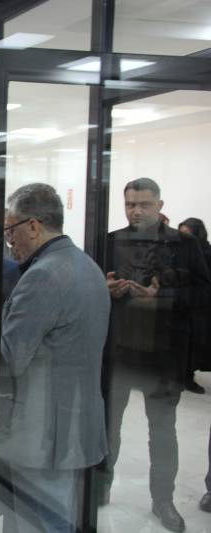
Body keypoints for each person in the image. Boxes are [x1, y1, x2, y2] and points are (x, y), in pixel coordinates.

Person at [97, 178, 211, 533]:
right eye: (130, 204)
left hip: (163, 355)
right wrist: (105, 288)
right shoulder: (110, 242)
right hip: (119, 352)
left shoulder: (185, 245)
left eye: (144, 204)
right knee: (108, 428)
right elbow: (92, 287)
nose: (136, 211)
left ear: (160, 205)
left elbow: (204, 295)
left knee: (162, 431)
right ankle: (101, 487)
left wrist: (162, 297)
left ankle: (163, 499)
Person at [0, 183, 110, 533]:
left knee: (39, 521)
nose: (9, 242)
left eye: (10, 231)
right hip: (72, 425)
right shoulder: (86, 265)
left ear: (33, 226)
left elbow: (11, 357)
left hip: (43, 433)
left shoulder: (42, 276)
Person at [177, 217, 211, 394]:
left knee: (195, 344)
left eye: (187, 233)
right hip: (183, 303)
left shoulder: (206, 253)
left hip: (200, 306)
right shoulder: (181, 251)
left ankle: (188, 376)